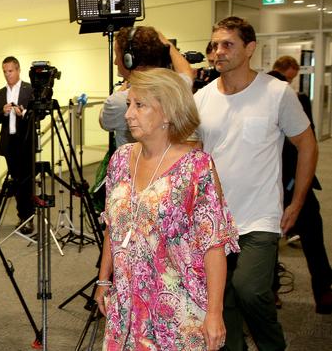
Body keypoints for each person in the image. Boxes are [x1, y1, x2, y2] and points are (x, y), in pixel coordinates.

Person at [194, 16, 318, 351]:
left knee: (250, 289)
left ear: (250, 49)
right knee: (222, 296)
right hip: (215, 220)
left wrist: (297, 202)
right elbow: (194, 157)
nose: (218, 52)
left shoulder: (276, 93)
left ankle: (272, 346)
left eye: (227, 44)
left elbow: (307, 144)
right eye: (215, 45)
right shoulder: (202, 98)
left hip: (260, 217)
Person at [95, 68, 238, 350]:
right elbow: (113, 227)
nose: (128, 115)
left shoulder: (196, 167)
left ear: (168, 113)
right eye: (128, 105)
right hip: (125, 305)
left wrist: (214, 312)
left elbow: (214, 245)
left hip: (177, 310)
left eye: (139, 105)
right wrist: (104, 280)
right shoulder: (121, 160)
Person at [268, 62, 332, 314]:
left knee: (313, 234)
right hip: (268, 185)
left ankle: (322, 289)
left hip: (297, 181)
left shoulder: (297, 100)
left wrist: (297, 193)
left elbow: (309, 142)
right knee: (267, 239)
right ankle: (270, 290)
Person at [99, 26, 193, 147]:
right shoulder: (176, 88)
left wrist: (124, 86)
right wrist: (167, 44)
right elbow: (187, 72)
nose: (115, 62)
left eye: (117, 55)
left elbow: (104, 122)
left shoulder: (120, 101)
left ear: (129, 60)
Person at [0, 56, 35, 234]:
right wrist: (3, 112)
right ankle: (22, 215)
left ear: (18, 70)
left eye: (10, 71)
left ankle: (28, 217)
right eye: (5, 71)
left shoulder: (29, 90)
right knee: (16, 182)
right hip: (9, 143)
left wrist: (22, 113)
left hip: (26, 142)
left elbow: (38, 116)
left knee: (27, 182)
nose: (8, 74)